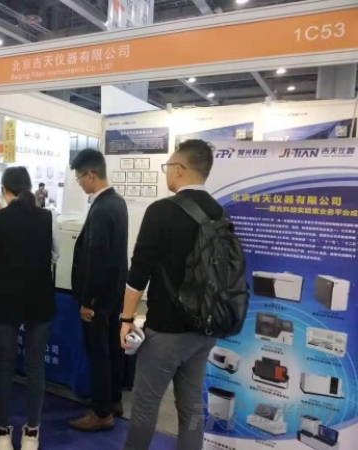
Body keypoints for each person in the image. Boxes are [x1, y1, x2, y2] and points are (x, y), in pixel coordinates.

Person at [120, 140, 219, 450]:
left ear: (179, 168)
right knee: (192, 408)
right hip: (205, 328)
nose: (167, 173)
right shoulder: (219, 212)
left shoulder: (161, 211)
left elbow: (139, 273)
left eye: (168, 167)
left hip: (166, 331)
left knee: (145, 405)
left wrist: (126, 319)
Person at [0, 167, 58, 450]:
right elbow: (55, 254)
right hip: (40, 296)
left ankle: (3, 431)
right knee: (35, 365)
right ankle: (31, 432)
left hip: (6, 296)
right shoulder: (49, 216)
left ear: (5, 190)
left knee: (4, 366)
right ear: (28, 187)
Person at [69, 149, 128, 432]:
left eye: (80, 178)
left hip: (99, 296)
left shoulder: (102, 208)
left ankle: (101, 412)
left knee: (98, 353)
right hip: (115, 291)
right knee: (113, 348)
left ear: (91, 175)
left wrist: (88, 301)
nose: (79, 183)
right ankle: (114, 399)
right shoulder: (117, 202)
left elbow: (97, 256)